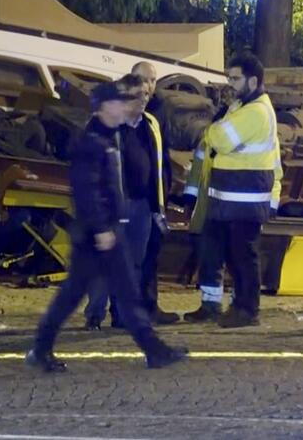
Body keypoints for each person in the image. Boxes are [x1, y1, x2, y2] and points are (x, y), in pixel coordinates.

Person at [26, 80, 187, 372]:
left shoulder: (108, 137)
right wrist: (101, 229)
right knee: (77, 295)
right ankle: (41, 348)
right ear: (102, 108)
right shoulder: (91, 141)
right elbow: (86, 190)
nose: (122, 107)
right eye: (116, 102)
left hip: (107, 231)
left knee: (121, 291)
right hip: (97, 235)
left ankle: (153, 350)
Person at [182, 52, 282, 328]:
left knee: (243, 255)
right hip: (230, 197)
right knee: (224, 252)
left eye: (235, 78)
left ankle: (247, 310)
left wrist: (213, 129)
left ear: (253, 81)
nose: (230, 83)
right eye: (229, 77)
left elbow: (218, 138)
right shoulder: (243, 106)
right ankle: (226, 307)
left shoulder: (256, 111)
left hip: (243, 197)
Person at [83, 69, 178, 329]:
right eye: (138, 96)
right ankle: (95, 313)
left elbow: (159, 165)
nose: (144, 100)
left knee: (133, 264)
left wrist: (158, 205)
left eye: (147, 94)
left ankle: (122, 314)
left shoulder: (150, 124)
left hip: (142, 207)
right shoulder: (104, 124)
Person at [132, 61, 180, 325]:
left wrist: (165, 188)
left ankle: (149, 306)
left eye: (152, 80)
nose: (148, 86)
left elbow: (163, 153)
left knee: (150, 253)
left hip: (155, 195)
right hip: (134, 196)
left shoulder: (159, 109)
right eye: (143, 80)